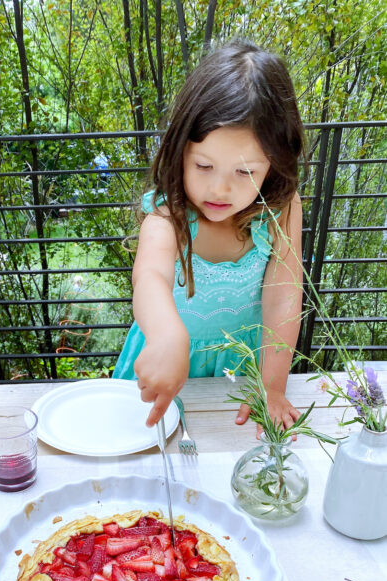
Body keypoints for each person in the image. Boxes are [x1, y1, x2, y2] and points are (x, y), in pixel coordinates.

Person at [113, 40, 305, 435]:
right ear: (181, 150)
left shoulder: (281, 208)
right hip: (165, 363)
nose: (219, 189)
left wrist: (272, 385)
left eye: (245, 172)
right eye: (203, 165)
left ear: (274, 165)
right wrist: (167, 334)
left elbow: (284, 290)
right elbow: (150, 275)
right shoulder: (170, 211)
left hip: (246, 372)